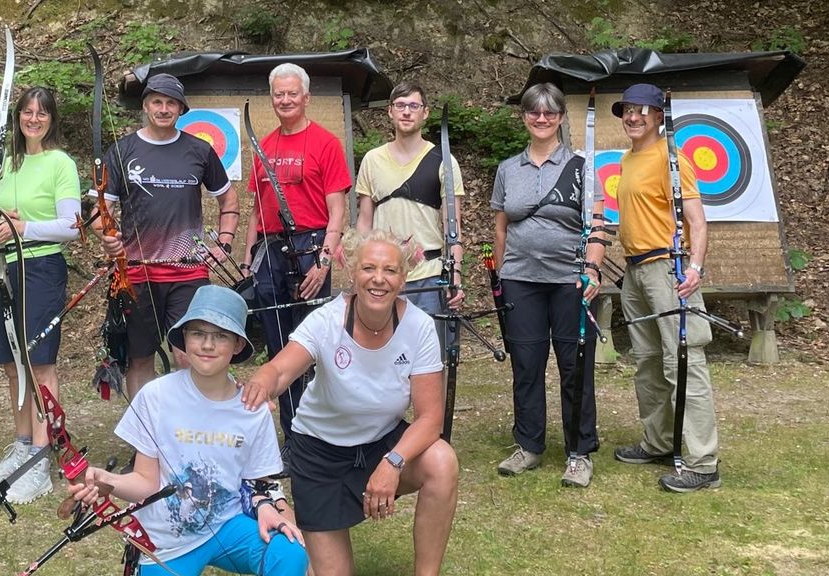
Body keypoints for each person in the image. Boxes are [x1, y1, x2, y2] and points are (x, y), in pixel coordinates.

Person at [67, 285, 308, 576]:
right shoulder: (156, 397)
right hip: (168, 545)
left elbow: (262, 482)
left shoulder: (252, 405)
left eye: (221, 335)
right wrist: (107, 481)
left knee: (290, 553)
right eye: (198, 333)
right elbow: (144, 481)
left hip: (230, 528)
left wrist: (272, 505)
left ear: (238, 345)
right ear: (183, 341)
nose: (208, 344)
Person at [242, 229, 467, 576]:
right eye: (368, 268)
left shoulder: (418, 327)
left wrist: (393, 462)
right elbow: (282, 368)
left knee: (441, 460)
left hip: (381, 444)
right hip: (320, 454)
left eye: (389, 270)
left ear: (403, 279)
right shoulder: (328, 320)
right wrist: (261, 383)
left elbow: (430, 417)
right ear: (351, 272)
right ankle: (285, 516)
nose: (378, 278)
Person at [603, 82, 721, 493]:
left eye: (641, 110)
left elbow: (698, 220)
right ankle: (658, 442)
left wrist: (696, 267)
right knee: (648, 361)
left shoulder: (673, 159)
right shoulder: (626, 159)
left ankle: (703, 462)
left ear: (657, 116)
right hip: (636, 272)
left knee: (683, 362)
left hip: (667, 271)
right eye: (626, 111)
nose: (632, 117)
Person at [490, 83, 606, 487]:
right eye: (534, 112)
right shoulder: (507, 168)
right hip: (520, 279)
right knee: (526, 364)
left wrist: (592, 271)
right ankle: (529, 445)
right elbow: (501, 227)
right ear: (523, 116)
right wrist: (501, 274)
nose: (541, 119)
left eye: (550, 112)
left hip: (569, 281)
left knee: (575, 367)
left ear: (560, 117)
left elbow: (597, 226)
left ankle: (579, 451)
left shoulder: (580, 165)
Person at [96, 73, 240, 398]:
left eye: (171, 103)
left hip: (189, 271)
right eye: (157, 102)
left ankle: (190, 430)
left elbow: (228, 200)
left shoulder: (199, 151)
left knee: (189, 355)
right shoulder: (123, 150)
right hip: (136, 272)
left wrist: (224, 242)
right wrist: (108, 236)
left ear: (181, 109)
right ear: (146, 106)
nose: (163, 109)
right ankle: (145, 438)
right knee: (140, 357)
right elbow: (99, 211)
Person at [0, 86, 81, 504]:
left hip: (39, 268)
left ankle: (39, 459)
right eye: (26, 112)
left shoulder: (60, 163)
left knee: (39, 365)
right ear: (17, 116)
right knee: (10, 363)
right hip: (4, 268)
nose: (33, 119)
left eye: (41, 113)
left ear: (52, 118)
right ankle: (22, 446)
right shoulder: (7, 164)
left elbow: (72, 225)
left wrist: (24, 228)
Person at [244, 62, 351, 438]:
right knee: (278, 345)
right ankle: (291, 434)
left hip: (311, 246)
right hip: (270, 251)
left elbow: (338, 210)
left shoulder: (325, 143)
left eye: (292, 93)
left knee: (311, 342)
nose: (285, 100)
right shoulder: (265, 146)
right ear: (271, 99)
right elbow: (257, 211)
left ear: (306, 97)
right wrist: (247, 262)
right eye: (278, 94)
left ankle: (317, 432)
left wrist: (323, 262)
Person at [355, 82, 465, 330]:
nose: (406, 112)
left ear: (425, 112)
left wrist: (456, 274)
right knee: (382, 357)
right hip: (383, 278)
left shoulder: (444, 160)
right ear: (390, 112)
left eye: (413, 106)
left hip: (430, 277)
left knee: (432, 361)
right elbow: (364, 221)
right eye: (400, 105)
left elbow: (454, 227)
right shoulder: (372, 159)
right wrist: (359, 269)